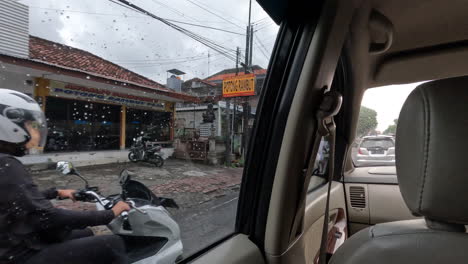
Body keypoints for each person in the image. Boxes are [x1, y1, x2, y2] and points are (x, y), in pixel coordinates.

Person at [0, 89, 130, 264]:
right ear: (10, 125)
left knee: (86, 234)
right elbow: (49, 216)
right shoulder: (7, 165)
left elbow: (17, 202)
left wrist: (55, 192)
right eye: (33, 126)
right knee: (113, 243)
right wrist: (110, 214)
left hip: (14, 244)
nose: (37, 133)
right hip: (20, 255)